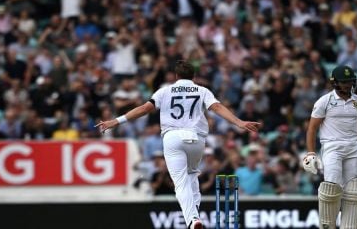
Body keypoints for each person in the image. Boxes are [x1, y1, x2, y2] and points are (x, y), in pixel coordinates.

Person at [96, 60, 261, 229]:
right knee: (191, 176)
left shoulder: (164, 91)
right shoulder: (202, 90)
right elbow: (217, 107)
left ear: (176, 76)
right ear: (194, 77)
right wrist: (239, 122)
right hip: (196, 139)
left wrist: (117, 121)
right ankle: (195, 215)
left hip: (173, 138)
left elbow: (144, 109)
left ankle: (192, 220)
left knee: (181, 183)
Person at [302, 65, 357, 229]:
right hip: (332, 147)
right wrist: (310, 153)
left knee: (354, 192)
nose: (348, 85)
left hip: (355, 147)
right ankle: (327, 226)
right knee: (331, 188)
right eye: (344, 82)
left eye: (350, 82)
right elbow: (312, 128)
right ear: (334, 83)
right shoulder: (324, 101)